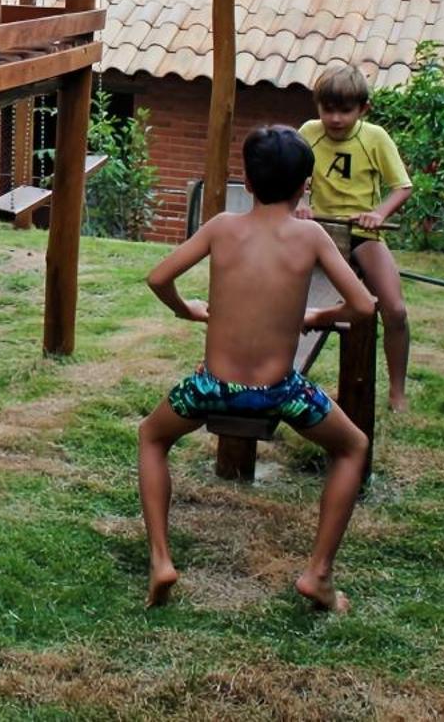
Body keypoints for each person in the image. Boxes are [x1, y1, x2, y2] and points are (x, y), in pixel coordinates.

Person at [136, 126, 377, 612]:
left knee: (151, 437)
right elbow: (364, 307)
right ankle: (319, 576)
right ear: (305, 185)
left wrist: (186, 309)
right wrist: (318, 317)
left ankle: (161, 560)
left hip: (211, 388)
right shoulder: (310, 235)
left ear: (246, 178)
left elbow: (158, 277)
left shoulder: (223, 226)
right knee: (353, 447)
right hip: (279, 391)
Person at [298, 63, 415, 411]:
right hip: (315, 232)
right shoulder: (307, 131)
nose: (335, 119)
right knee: (283, 302)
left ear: (363, 109)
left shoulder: (375, 137)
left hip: (362, 235)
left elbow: (402, 187)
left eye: (345, 110)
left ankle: (397, 391)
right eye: (328, 109)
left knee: (394, 310)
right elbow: (292, 174)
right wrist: (302, 201)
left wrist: (378, 214)